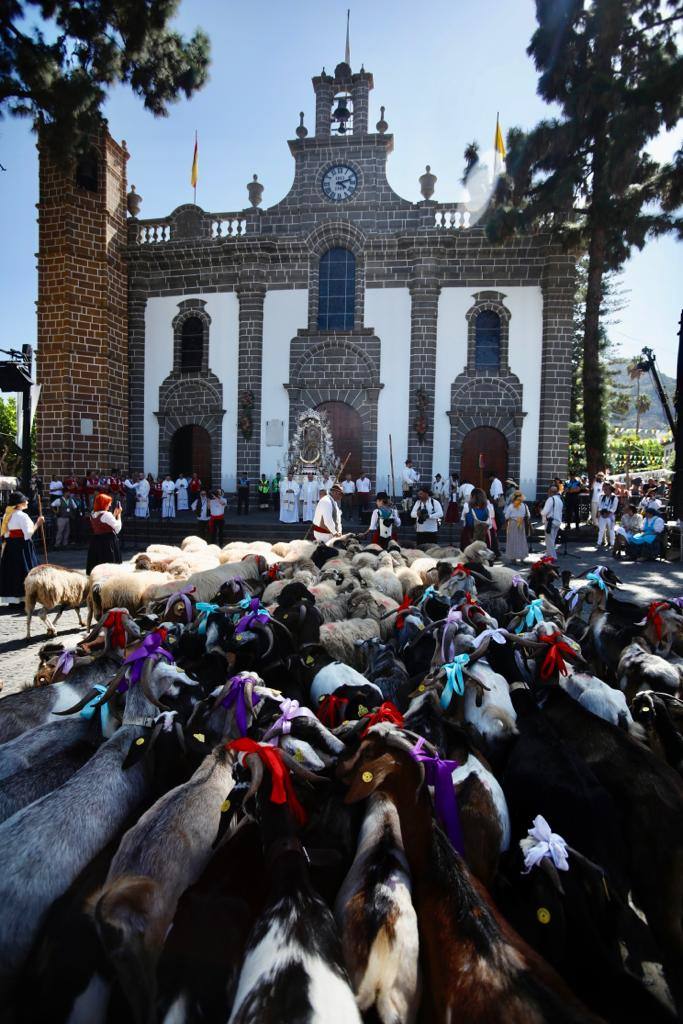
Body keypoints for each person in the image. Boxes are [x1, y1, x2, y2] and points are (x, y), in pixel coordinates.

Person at [0, 492, 43, 606]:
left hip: (10, 546)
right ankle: (25, 599)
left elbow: (6, 534)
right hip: (22, 547)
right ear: (19, 504)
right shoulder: (22, 516)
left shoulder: (7, 514)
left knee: (13, 571)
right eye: (25, 500)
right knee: (24, 570)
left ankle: (13, 600)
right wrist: (38, 524)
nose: (27, 502)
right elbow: (28, 534)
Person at [86, 492, 122, 574]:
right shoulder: (106, 514)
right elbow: (117, 528)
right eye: (108, 503)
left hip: (96, 541)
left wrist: (114, 514)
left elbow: (105, 522)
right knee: (108, 563)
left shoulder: (93, 513)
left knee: (98, 561)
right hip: (107, 542)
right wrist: (119, 515)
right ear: (104, 503)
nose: (110, 505)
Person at [504, 490, 530, 563]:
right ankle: (522, 558)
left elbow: (506, 516)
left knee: (512, 540)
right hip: (521, 523)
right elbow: (528, 515)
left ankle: (513, 558)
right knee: (521, 540)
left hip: (513, 523)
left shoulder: (511, 506)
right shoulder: (524, 505)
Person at [541, 485, 564, 561]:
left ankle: (553, 557)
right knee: (552, 540)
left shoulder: (550, 499)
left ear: (549, 492)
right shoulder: (560, 500)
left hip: (550, 522)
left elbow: (545, 512)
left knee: (549, 541)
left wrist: (541, 512)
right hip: (557, 522)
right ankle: (548, 555)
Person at [597, 483, 619, 550]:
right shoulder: (601, 497)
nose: (604, 491)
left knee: (611, 530)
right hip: (602, 515)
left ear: (610, 490)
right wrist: (601, 513)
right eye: (604, 489)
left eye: (606, 489)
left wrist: (608, 514)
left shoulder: (614, 498)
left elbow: (614, 508)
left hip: (610, 516)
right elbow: (599, 506)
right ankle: (599, 543)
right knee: (601, 530)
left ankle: (612, 544)